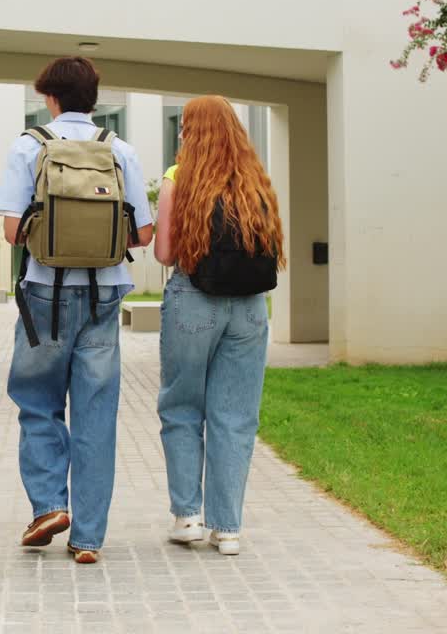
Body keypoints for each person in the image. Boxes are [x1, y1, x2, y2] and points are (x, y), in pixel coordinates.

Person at [0, 57, 153, 564]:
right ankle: (88, 538)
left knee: (39, 401)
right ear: (94, 96)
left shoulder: (30, 145)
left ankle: (48, 506)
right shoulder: (119, 149)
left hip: (45, 291)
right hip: (105, 294)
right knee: (96, 412)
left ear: (49, 96)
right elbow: (144, 235)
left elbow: (14, 232)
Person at [153, 95, 285, 556]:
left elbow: (166, 254)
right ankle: (227, 528)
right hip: (250, 309)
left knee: (182, 408)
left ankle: (187, 516)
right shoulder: (256, 182)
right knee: (235, 417)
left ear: (192, 132)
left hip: (194, 301)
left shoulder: (178, 180)